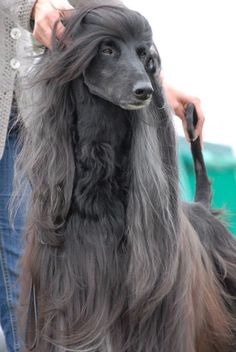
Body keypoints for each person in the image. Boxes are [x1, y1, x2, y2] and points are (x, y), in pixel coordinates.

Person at [0, 1, 205, 351]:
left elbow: (105, 15)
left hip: (30, 117)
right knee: (27, 280)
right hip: (23, 112)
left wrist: (155, 81)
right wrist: (28, 4)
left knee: (39, 279)